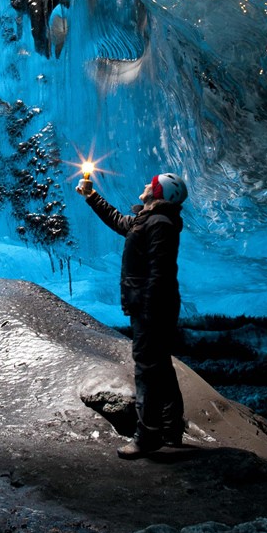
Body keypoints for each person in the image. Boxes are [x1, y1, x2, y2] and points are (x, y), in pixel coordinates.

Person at [77, 170, 188, 458]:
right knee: (160, 367)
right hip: (152, 307)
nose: (145, 186)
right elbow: (119, 221)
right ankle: (170, 430)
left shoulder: (160, 224)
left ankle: (147, 437)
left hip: (152, 309)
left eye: (151, 185)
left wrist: (148, 311)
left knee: (147, 370)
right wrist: (91, 197)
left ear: (160, 193)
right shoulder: (151, 220)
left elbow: (159, 274)